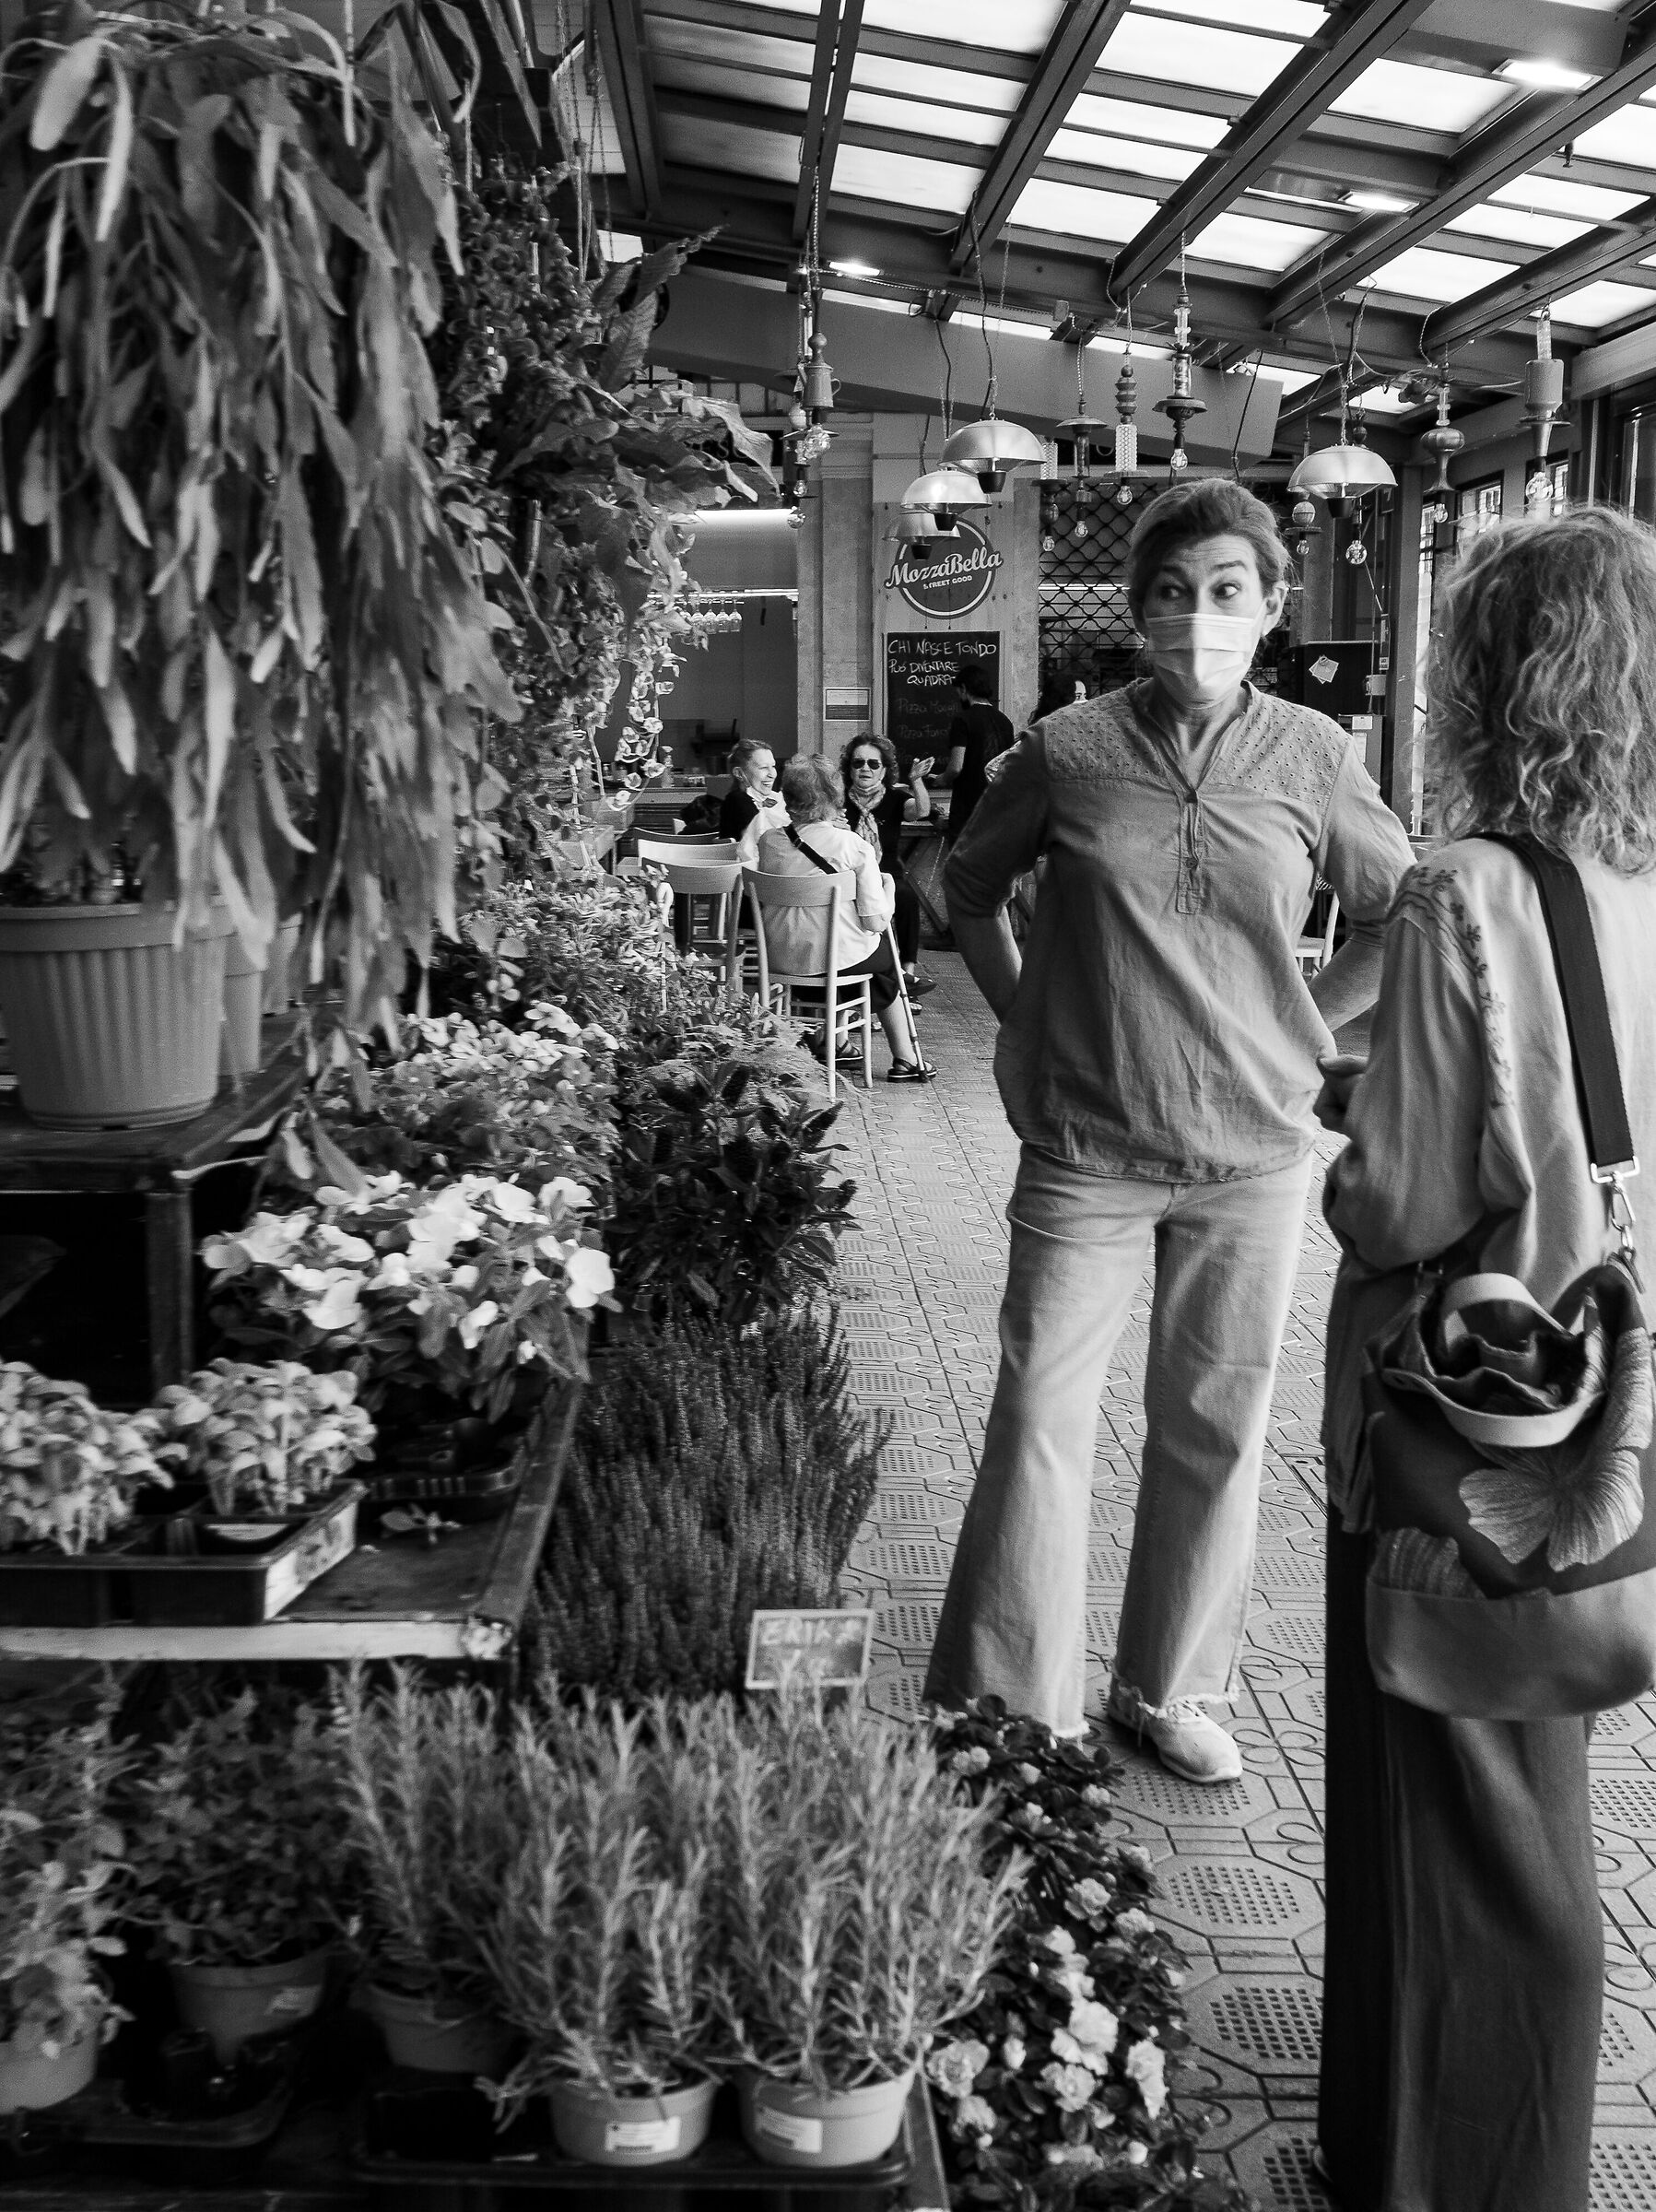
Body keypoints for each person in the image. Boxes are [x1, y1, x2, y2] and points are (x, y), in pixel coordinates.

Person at [922, 477, 1414, 1779]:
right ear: (1138, 610)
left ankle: (1169, 1685)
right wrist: (1027, 1023)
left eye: (1227, 592)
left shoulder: (1315, 756)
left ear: (1270, 606)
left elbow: (1398, 910)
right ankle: (1010, 1708)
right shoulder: (1067, 749)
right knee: (1041, 1414)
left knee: (1216, 1421)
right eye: (1174, 592)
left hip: (1252, 1150)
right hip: (1087, 1144)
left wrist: (1307, 1024)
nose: (1200, 616)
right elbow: (966, 888)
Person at [1315, 508, 1656, 2212]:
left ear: (1492, 674)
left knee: (1464, 1804)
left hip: (1465, 1407)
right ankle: (1398, 2149)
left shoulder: (1465, 889)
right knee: (1518, 1758)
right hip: (1609, 1402)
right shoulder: (1643, 884)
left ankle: (1474, 2177)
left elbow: (1401, 1201)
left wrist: (1347, 1133)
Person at [754, 757, 933, 1083]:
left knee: (852, 951)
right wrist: (889, 890)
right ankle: (905, 1058)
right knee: (882, 959)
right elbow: (875, 922)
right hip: (838, 962)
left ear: (788, 798)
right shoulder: (853, 846)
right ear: (836, 798)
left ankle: (835, 1043)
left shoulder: (769, 841)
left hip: (780, 958)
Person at [840, 734, 937, 996]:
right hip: (849, 875)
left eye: (873, 764)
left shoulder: (894, 798)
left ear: (884, 770)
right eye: (858, 763)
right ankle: (865, 970)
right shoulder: (838, 799)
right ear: (850, 768)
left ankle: (907, 972)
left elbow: (921, 811)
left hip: (887, 874)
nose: (865, 769)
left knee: (906, 897)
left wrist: (916, 780)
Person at [943, 664, 1015, 845]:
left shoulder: (963, 719)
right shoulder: (1005, 721)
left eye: (958, 692)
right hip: (997, 807)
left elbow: (956, 767)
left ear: (964, 689)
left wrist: (941, 779)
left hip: (968, 808)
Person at [718, 739, 786, 845]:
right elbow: (765, 841)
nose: (772, 774)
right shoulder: (737, 801)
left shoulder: (774, 798)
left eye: (773, 766)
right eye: (763, 768)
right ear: (739, 773)